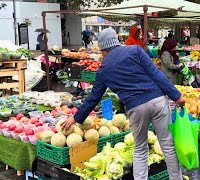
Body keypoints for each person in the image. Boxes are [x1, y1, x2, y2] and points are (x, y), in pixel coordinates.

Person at [61, 28, 184, 180]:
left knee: (140, 149)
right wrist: (176, 95)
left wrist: (75, 118)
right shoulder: (135, 51)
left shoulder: (103, 69)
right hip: (157, 101)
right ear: (116, 42)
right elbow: (156, 73)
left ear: (103, 48)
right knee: (167, 145)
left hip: (136, 107)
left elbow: (93, 98)